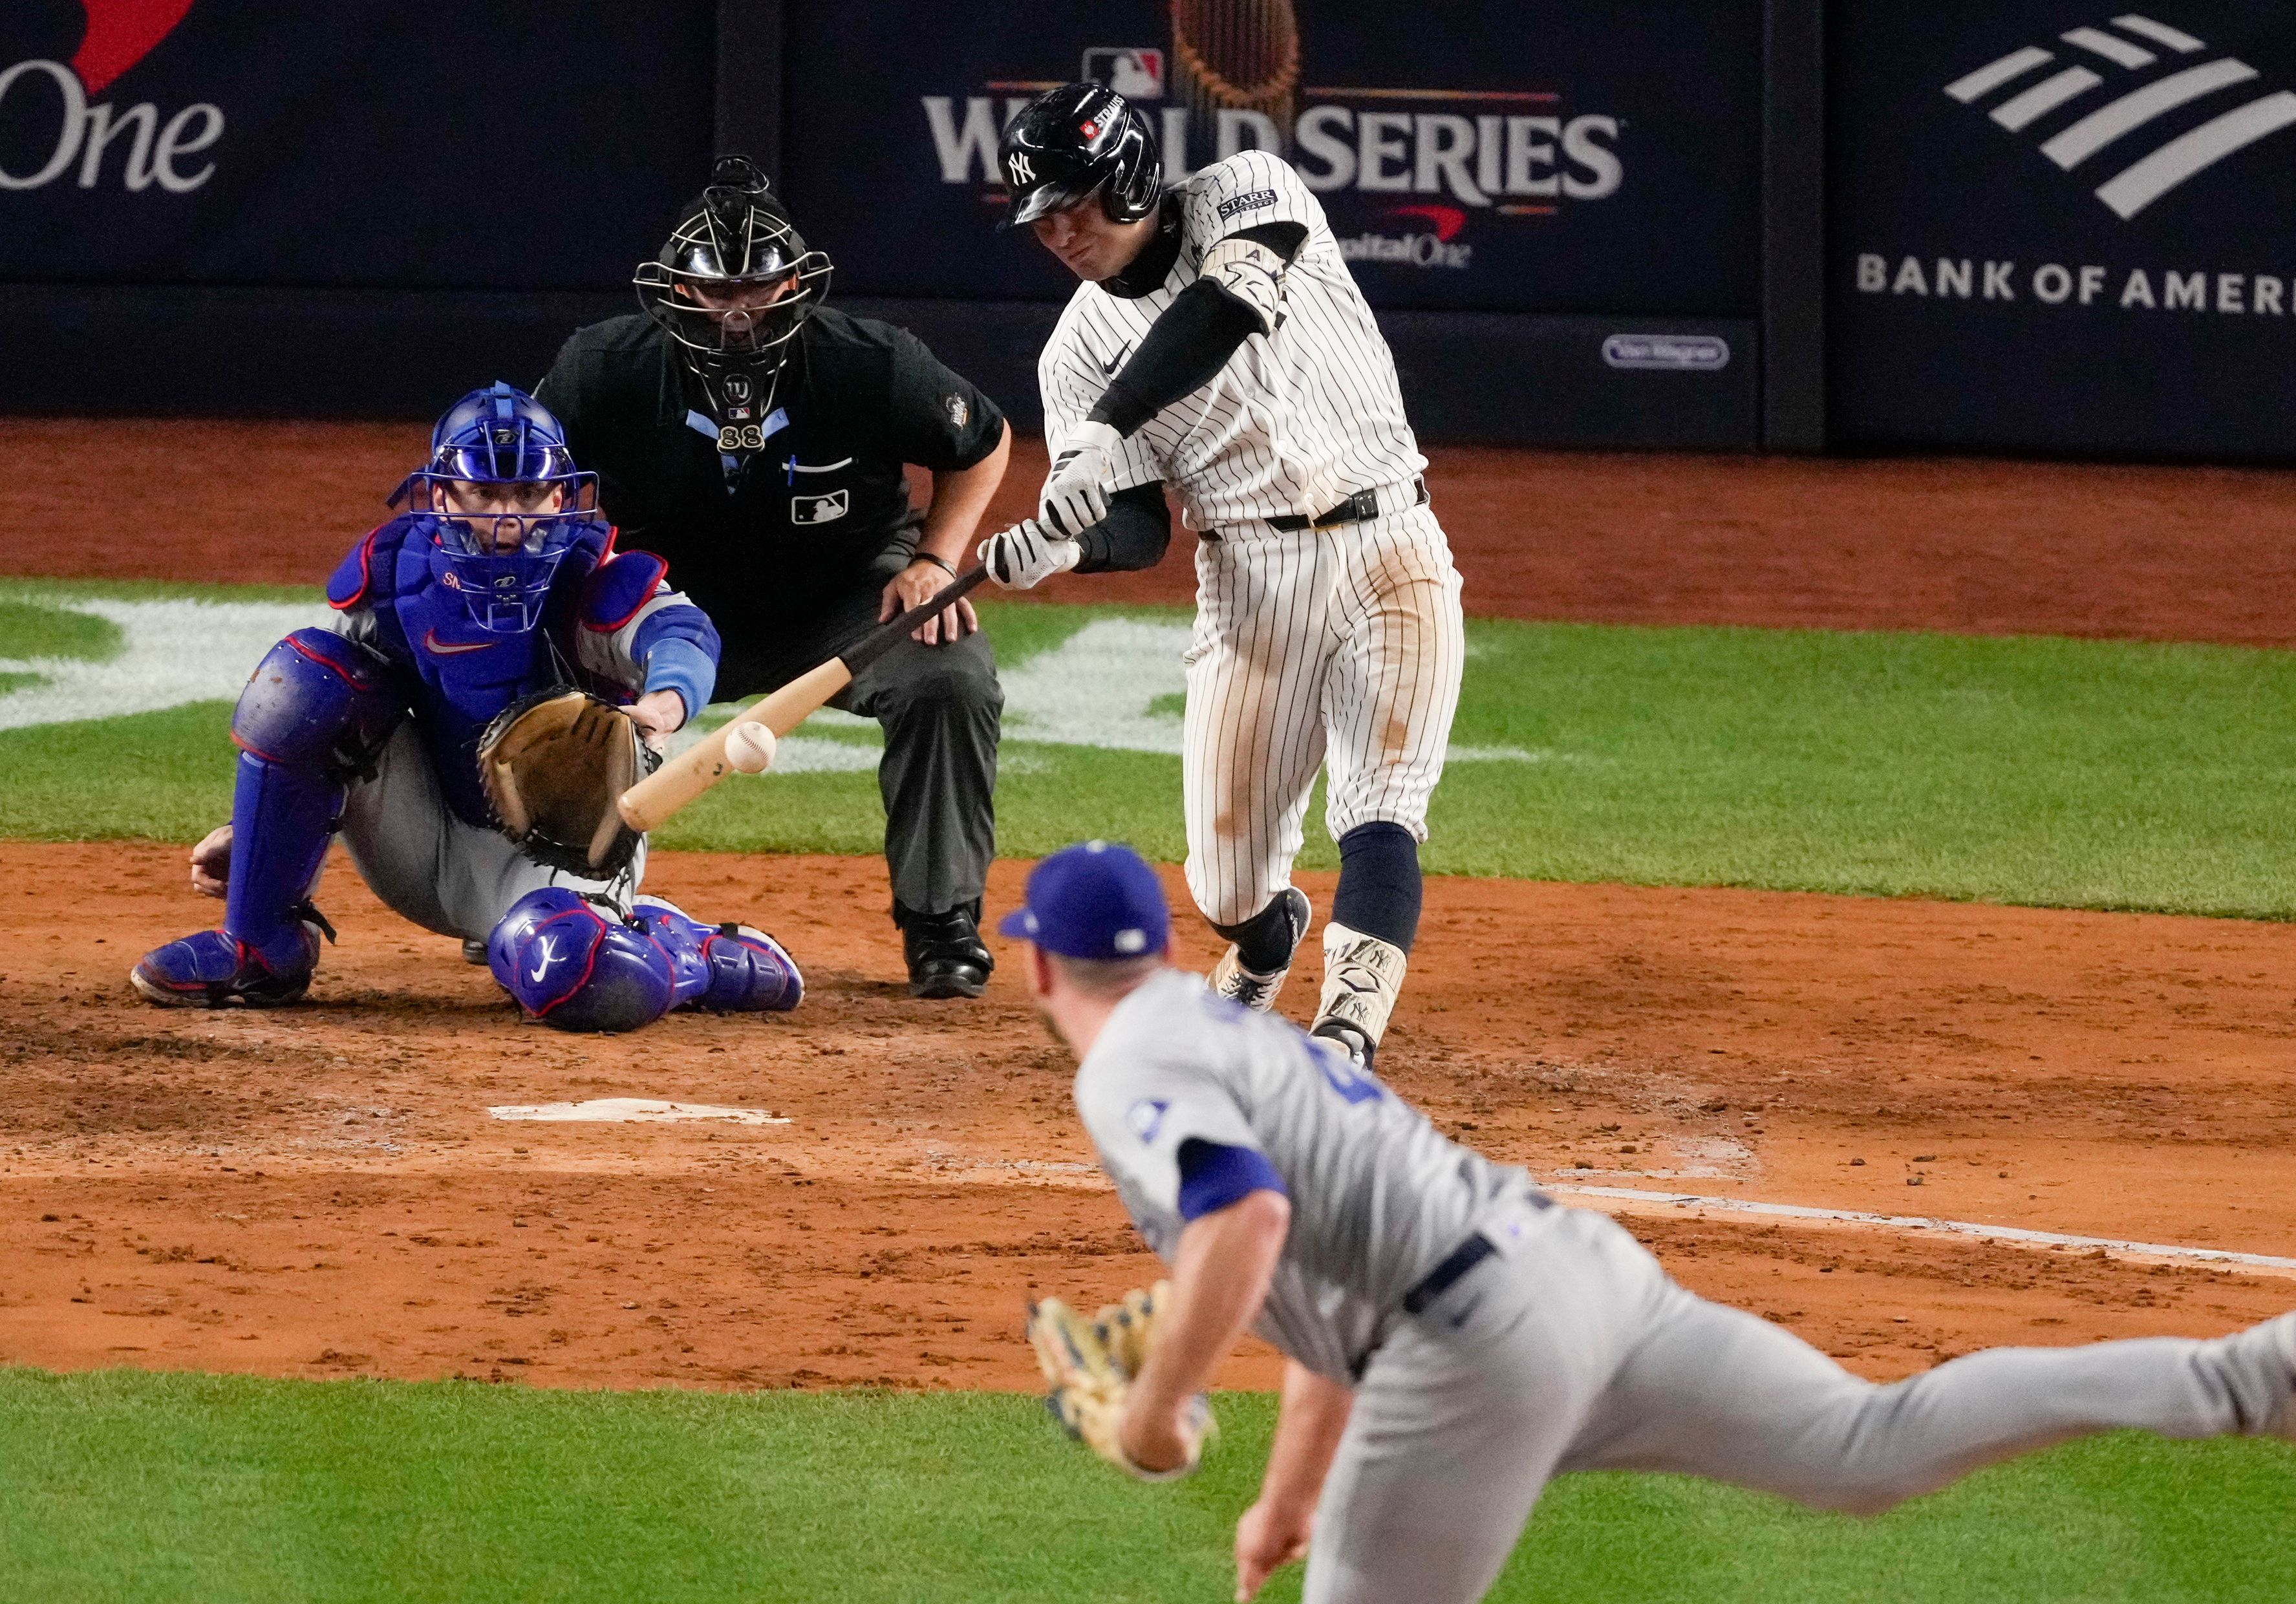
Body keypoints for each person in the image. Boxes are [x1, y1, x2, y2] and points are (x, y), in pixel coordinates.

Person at [998, 839, 2296, 1604]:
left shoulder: (1129, 1066)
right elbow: (1338, 1299)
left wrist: (1167, 1405)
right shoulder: (1230, 1027)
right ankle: (2250, 1375)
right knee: (1869, 1443)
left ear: (1041, 964)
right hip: (1579, 1275)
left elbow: (1247, 1218)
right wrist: (1290, 1494)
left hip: (1468, 1339)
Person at [980, 83, 1463, 1066]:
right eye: (1042, 217)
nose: (1060, 232)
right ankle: (1268, 934)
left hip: (1392, 539)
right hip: (1251, 577)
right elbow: (1141, 527)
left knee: (1381, 805)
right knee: (1227, 885)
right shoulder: (1072, 355)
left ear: (1131, 179)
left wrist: (1107, 434)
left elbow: (1223, 307)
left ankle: (1345, 1033)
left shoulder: (1247, 189)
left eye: (1075, 203)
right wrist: (1069, 542)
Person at [133, 384, 803, 1032]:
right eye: (487, 493)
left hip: (569, 856)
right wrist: (260, 833)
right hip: (424, 838)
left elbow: (681, 636)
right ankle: (261, 947)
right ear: (445, 493)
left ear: (562, 493)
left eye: (528, 493)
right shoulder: (398, 576)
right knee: (304, 679)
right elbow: (322, 721)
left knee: (579, 975)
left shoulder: (587, 578)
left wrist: (663, 704)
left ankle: (691, 952)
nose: (509, 517)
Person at [537, 156, 1013, 998]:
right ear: (676, 289)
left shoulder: (871, 364)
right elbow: (528, 482)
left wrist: (935, 562)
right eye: (716, 292)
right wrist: (560, 589)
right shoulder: (604, 368)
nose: (737, 316)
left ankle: (942, 923)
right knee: (521, 658)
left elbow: (982, 444)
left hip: (837, 601)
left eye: (756, 291)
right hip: (658, 611)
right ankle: (534, 900)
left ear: (798, 284)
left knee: (949, 671)